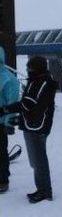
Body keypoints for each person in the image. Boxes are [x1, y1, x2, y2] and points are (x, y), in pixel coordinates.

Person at [0, 56, 57, 203]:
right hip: (32, 125)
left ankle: (45, 192)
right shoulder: (35, 81)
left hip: (37, 128)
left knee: (39, 161)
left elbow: (31, 105)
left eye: (29, 67)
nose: (27, 69)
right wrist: (15, 116)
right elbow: (28, 104)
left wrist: (8, 110)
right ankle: (41, 189)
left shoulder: (43, 83)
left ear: (36, 68)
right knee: (35, 161)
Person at [0, 46, 20, 194]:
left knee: (0, 152)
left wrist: (9, 122)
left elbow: (11, 101)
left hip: (0, 121)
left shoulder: (8, 78)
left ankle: (2, 180)